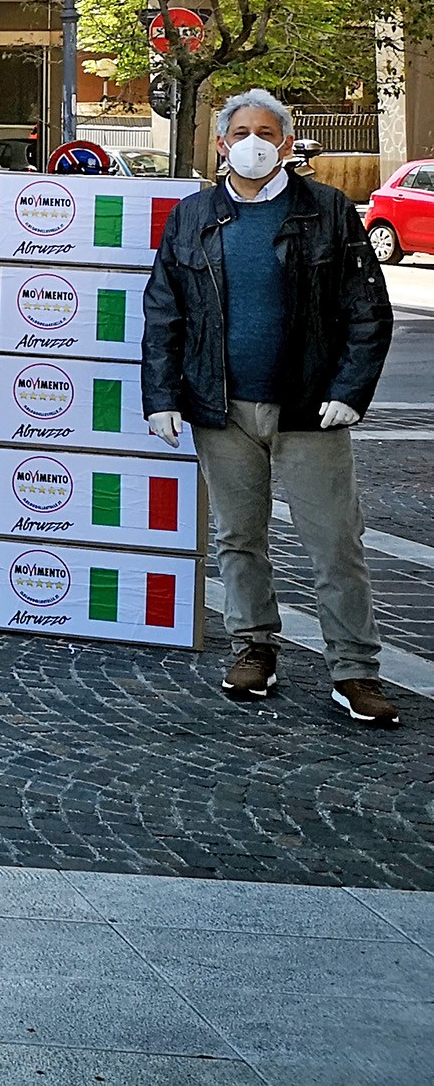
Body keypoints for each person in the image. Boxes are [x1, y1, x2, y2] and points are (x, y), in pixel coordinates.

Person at [143, 88, 397, 725]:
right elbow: (164, 312)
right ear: (221, 143)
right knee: (239, 538)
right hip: (222, 406)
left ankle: (355, 670)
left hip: (309, 407)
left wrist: (349, 392)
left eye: (266, 133)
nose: (253, 144)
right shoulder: (193, 215)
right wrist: (162, 396)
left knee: (335, 542)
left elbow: (367, 310)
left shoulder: (328, 209)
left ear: (286, 144)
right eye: (241, 133)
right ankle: (253, 646)